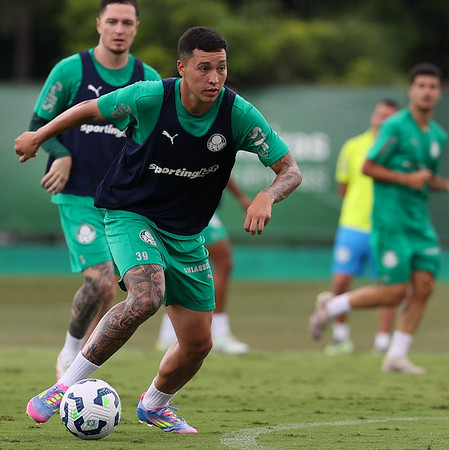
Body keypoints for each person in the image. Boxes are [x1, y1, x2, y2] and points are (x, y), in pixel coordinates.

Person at [15, 26, 301, 432]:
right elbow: (88, 110)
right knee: (147, 297)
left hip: (186, 234)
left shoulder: (237, 113)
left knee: (199, 344)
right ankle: (64, 385)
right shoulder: (150, 96)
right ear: (182, 68)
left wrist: (267, 196)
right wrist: (39, 136)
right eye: (204, 68)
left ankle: (154, 405)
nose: (215, 78)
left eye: (221, 68)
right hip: (131, 213)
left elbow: (290, 170)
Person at [30, 0, 161, 380]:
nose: (119, 29)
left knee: (113, 291)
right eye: (112, 21)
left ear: (136, 28)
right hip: (78, 195)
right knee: (101, 279)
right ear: (99, 24)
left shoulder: (148, 77)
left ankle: (79, 377)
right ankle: (69, 352)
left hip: (125, 203)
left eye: (127, 23)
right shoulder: (72, 70)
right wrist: (60, 154)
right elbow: (40, 123)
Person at [308, 63, 449, 374]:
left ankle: (396, 355)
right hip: (391, 221)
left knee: (425, 286)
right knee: (394, 292)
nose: (427, 91)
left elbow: (424, 177)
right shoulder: (395, 126)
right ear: (411, 91)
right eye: (421, 86)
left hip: (419, 222)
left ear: (439, 93)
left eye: (433, 86)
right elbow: (369, 167)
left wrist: (448, 184)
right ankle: (331, 307)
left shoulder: (438, 135)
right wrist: (407, 180)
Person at [325, 99, 400, 356]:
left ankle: (382, 342)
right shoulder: (353, 147)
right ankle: (340, 337)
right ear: (373, 115)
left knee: (388, 286)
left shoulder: (398, 150)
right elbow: (344, 187)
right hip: (353, 226)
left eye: (389, 116)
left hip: (386, 229)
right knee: (342, 280)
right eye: (380, 113)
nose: (382, 119)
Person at [156, 177, 252, 355]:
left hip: (191, 202)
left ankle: (169, 334)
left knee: (181, 264)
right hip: (194, 203)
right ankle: (220, 333)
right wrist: (241, 197)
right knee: (224, 262)